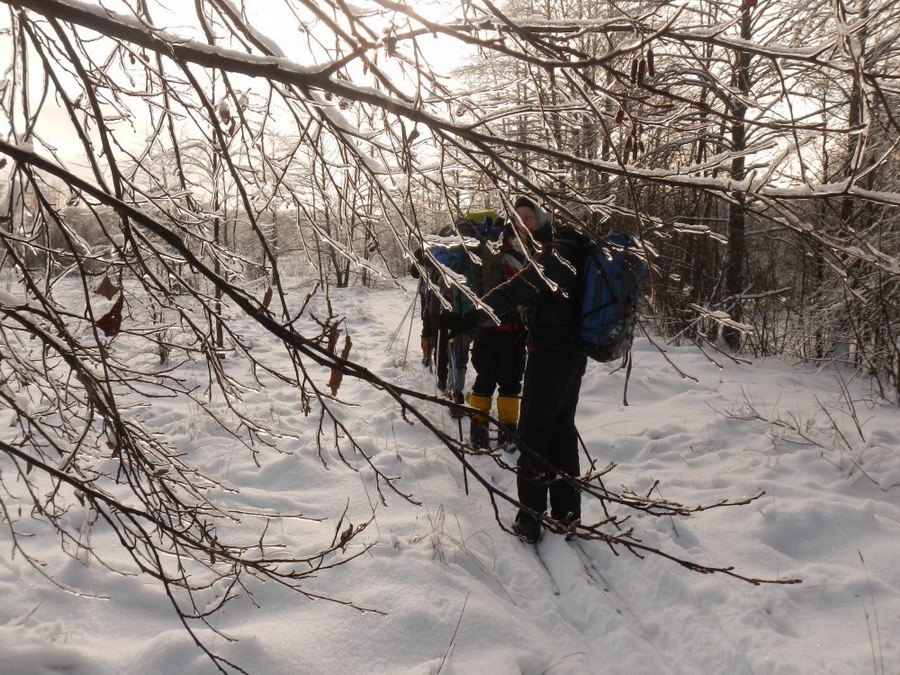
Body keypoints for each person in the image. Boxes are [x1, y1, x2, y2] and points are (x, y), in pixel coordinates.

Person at [455, 196, 590, 543]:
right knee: (560, 430)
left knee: (534, 432)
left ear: (543, 217)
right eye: (517, 218)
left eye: (528, 217)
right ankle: (567, 512)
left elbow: (522, 287)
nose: (522, 224)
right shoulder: (564, 245)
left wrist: (475, 313)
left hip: (554, 352)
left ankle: (531, 517)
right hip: (567, 351)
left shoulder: (559, 250)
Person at [465, 219, 526, 450]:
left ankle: (478, 434)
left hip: (484, 332)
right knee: (510, 384)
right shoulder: (518, 260)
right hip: (512, 334)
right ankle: (508, 435)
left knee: (484, 380)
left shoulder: (478, 259)